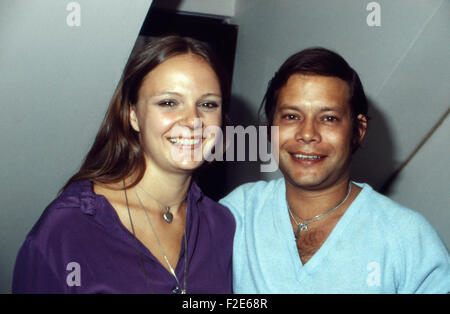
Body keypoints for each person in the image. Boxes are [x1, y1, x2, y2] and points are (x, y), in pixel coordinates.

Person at [13, 35, 235, 294]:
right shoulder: (68, 228)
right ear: (133, 116)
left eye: (208, 104)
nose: (193, 120)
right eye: (168, 103)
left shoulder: (220, 225)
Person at [220, 47, 450, 293]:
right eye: (291, 116)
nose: (307, 133)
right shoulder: (240, 212)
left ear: (358, 130)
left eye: (328, 118)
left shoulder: (408, 238)